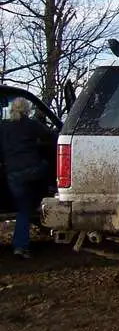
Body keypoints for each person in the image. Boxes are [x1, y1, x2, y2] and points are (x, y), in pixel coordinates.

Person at [1, 98, 55, 259]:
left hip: (13, 174)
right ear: (27, 110)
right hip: (33, 170)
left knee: (22, 208)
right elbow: (51, 136)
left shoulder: (3, 127)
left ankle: (21, 247)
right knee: (48, 165)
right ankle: (52, 192)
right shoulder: (31, 124)